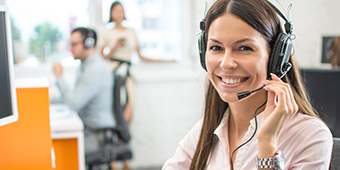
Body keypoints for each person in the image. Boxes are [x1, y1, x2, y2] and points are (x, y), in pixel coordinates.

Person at [162, 0, 332, 169]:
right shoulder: (206, 129)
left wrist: (267, 145)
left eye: (244, 48)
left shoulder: (311, 137)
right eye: (216, 47)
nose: (226, 63)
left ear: (276, 59)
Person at [52, 27, 116, 155]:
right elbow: (72, 96)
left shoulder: (95, 69)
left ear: (89, 44)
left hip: (98, 135)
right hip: (88, 129)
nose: (70, 48)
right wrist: (44, 99)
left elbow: (74, 103)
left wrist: (59, 78)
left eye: (74, 44)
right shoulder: (85, 65)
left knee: (61, 151)